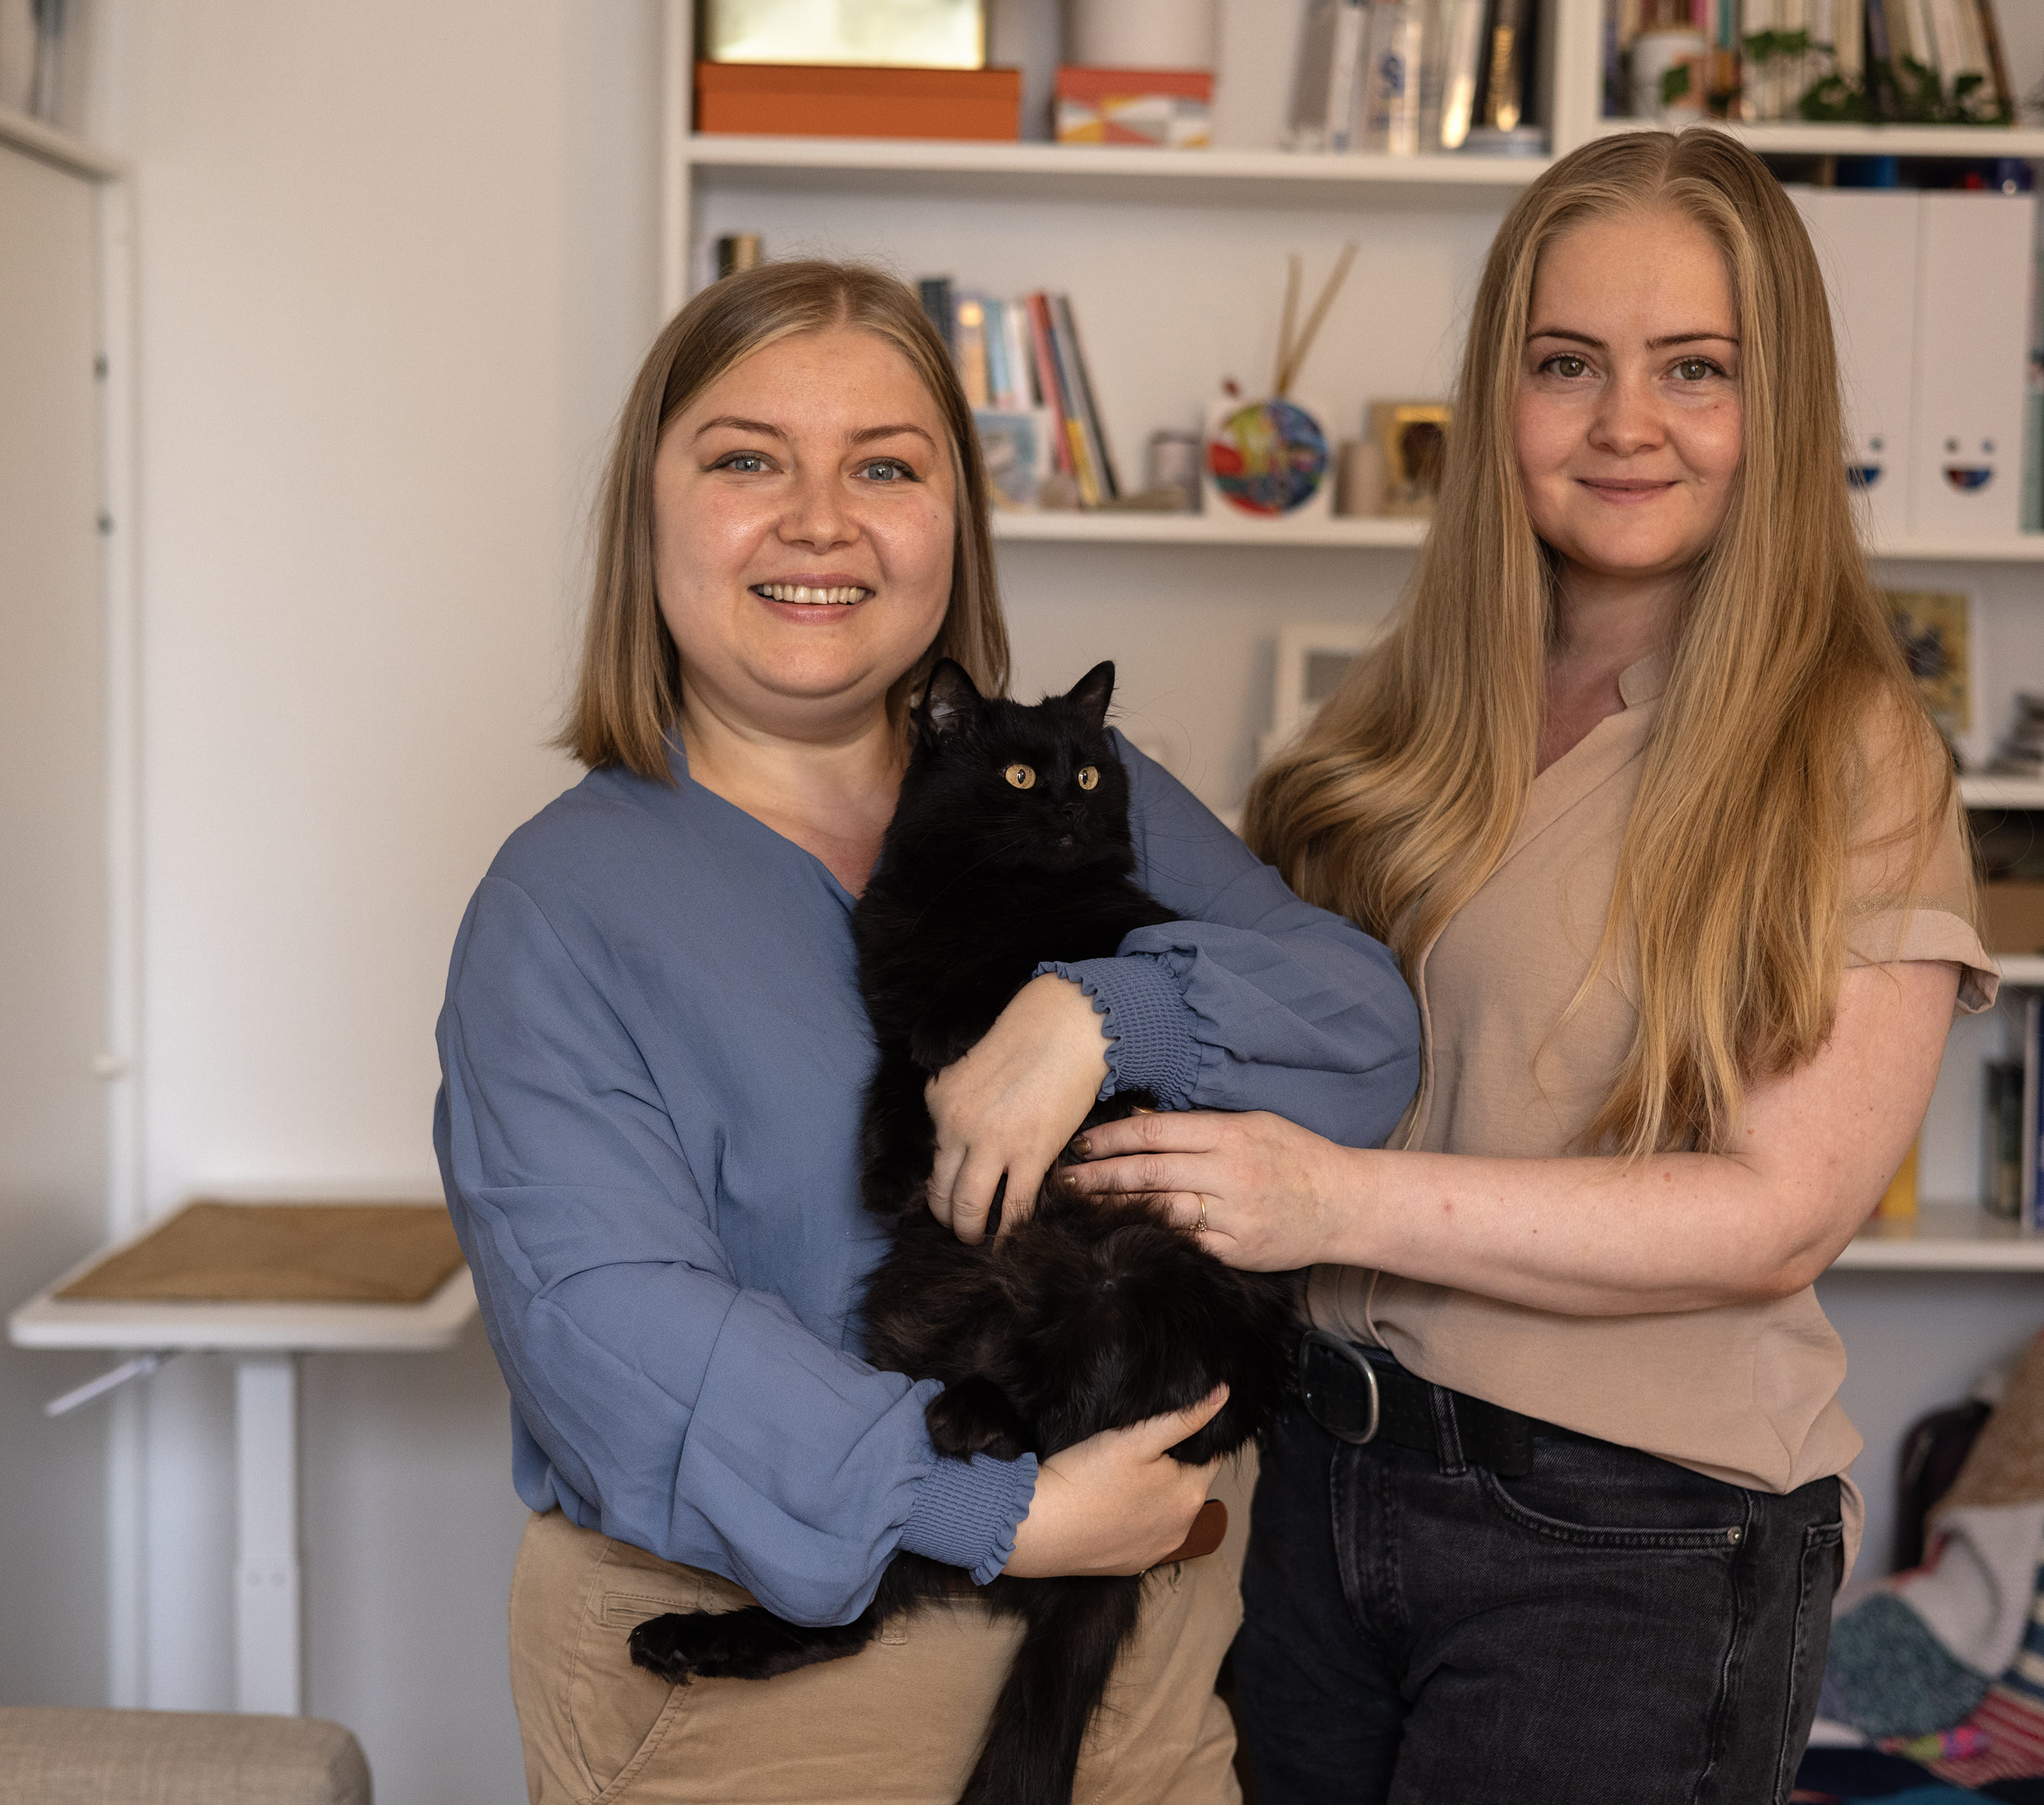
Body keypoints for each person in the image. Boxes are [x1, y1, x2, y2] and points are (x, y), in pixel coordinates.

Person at [1067, 129, 1999, 1802]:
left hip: (1629, 1542)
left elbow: (1782, 1207)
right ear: (1501, 396)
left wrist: (1336, 1202)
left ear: (1775, 406)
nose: (1624, 423)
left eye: (1694, 369)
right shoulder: (1407, 715)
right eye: (1567, 363)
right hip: (1320, 1487)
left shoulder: (1848, 753)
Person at [431, 259, 1420, 1804]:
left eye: (884, 466)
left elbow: (1362, 1028)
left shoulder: (1093, 797)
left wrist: (1105, 1009)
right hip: (773, 1682)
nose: (819, 519)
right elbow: (605, 1319)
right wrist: (995, 1511)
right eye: (748, 458)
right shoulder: (562, 902)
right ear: (652, 514)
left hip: (1147, 1655)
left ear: (955, 523)